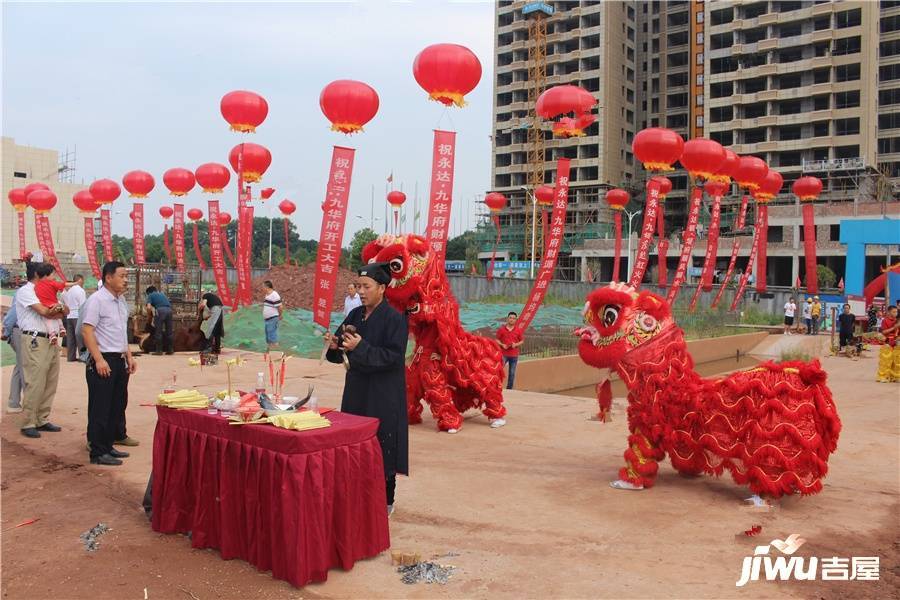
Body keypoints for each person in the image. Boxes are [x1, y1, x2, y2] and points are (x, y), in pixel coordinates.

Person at [325, 262, 408, 517]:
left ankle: (386, 501)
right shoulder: (354, 316)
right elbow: (340, 352)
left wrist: (361, 347)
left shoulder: (395, 318)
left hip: (383, 392)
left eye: (366, 286)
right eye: (358, 286)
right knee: (354, 440)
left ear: (382, 288)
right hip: (357, 388)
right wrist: (334, 345)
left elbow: (393, 357)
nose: (361, 291)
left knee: (383, 443)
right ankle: (356, 496)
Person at [82, 262, 137, 465]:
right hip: (103, 359)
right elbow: (87, 331)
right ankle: (97, 452)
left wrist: (129, 356)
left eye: (126, 276)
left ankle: (108, 446)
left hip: (119, 359)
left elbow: (122, 333)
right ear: (108, 278)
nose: (125, 280)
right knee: (101, 408)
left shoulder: (120, 301)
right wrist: (98, 359)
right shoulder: (97, 300)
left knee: (116, 406)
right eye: (121, 276)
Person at [17, 261, 67, 438]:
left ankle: (42, 418)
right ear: (38, 275)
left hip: (51, 339)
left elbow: (64, 311)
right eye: (50, 275)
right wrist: (56, 309)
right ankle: (28, 421)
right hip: (35, 339)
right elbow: (44, 311)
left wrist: (57, 309)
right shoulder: (26, 291)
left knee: (50, 380)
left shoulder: (48, 289)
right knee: (35, 380)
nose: (52, 278)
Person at [2, 302, 23, 413]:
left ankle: (13, 403)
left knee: (20, 367)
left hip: (19, 331)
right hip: (19, 331)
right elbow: (12, 316)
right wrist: (6, 332)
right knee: (24, 367)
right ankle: (30, 407)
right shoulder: (24, 291)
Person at [496, 311, 524, 389]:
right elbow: (497, 340)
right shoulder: (501, 329)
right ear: (507, 319)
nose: (512, 319)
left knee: (512, 373)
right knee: (499, 371)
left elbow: (522, 341)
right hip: (503, 354)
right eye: (510, 318)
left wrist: (515, 344)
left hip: (514, 355)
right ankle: (497, 386)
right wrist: (502, 345)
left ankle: (509, 389)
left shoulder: (518, 330)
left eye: (514, 318)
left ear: (516, 320)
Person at [62, 274, 86, 362]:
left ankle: (70, 356)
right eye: (83, 280)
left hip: (69, 315)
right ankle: (82, 356)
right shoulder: (80, 291)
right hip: (77, 315)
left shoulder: (69, 291)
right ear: (80, 280)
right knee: (80, 336)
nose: (83, 282)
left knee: (71, 337)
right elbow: (82, 305)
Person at [145, 286, 173, 355]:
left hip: (160, 311)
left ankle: (159, 351)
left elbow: (148, 307)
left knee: (158, 331)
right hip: (169, 310)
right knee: (169, 331)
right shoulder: (162, 294)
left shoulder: (150, 295)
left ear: (148, 292)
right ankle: (170, 350)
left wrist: (149, 315)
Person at [877, 305, 900, 383]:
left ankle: (894, 376)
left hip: (896, 342)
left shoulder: (897, 320)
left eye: (896, 312)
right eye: (894, 312)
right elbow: (883, 332)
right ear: (889, 312)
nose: (895, 313)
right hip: (887, 342)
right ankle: (882, 376)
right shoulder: (885, 320)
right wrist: (894, 327)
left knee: (896, 360)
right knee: (886, 360)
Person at [261, 280, 283, 350]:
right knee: (268, 336)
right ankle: (270, 352)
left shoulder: (275, 295)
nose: (262, 288)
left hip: (272, 318)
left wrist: (280, 315)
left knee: (272, 335)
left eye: (263, 287)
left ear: (267, 287)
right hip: (267, 319)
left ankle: (276, 352)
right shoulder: (267, 295)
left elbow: (280, 307)